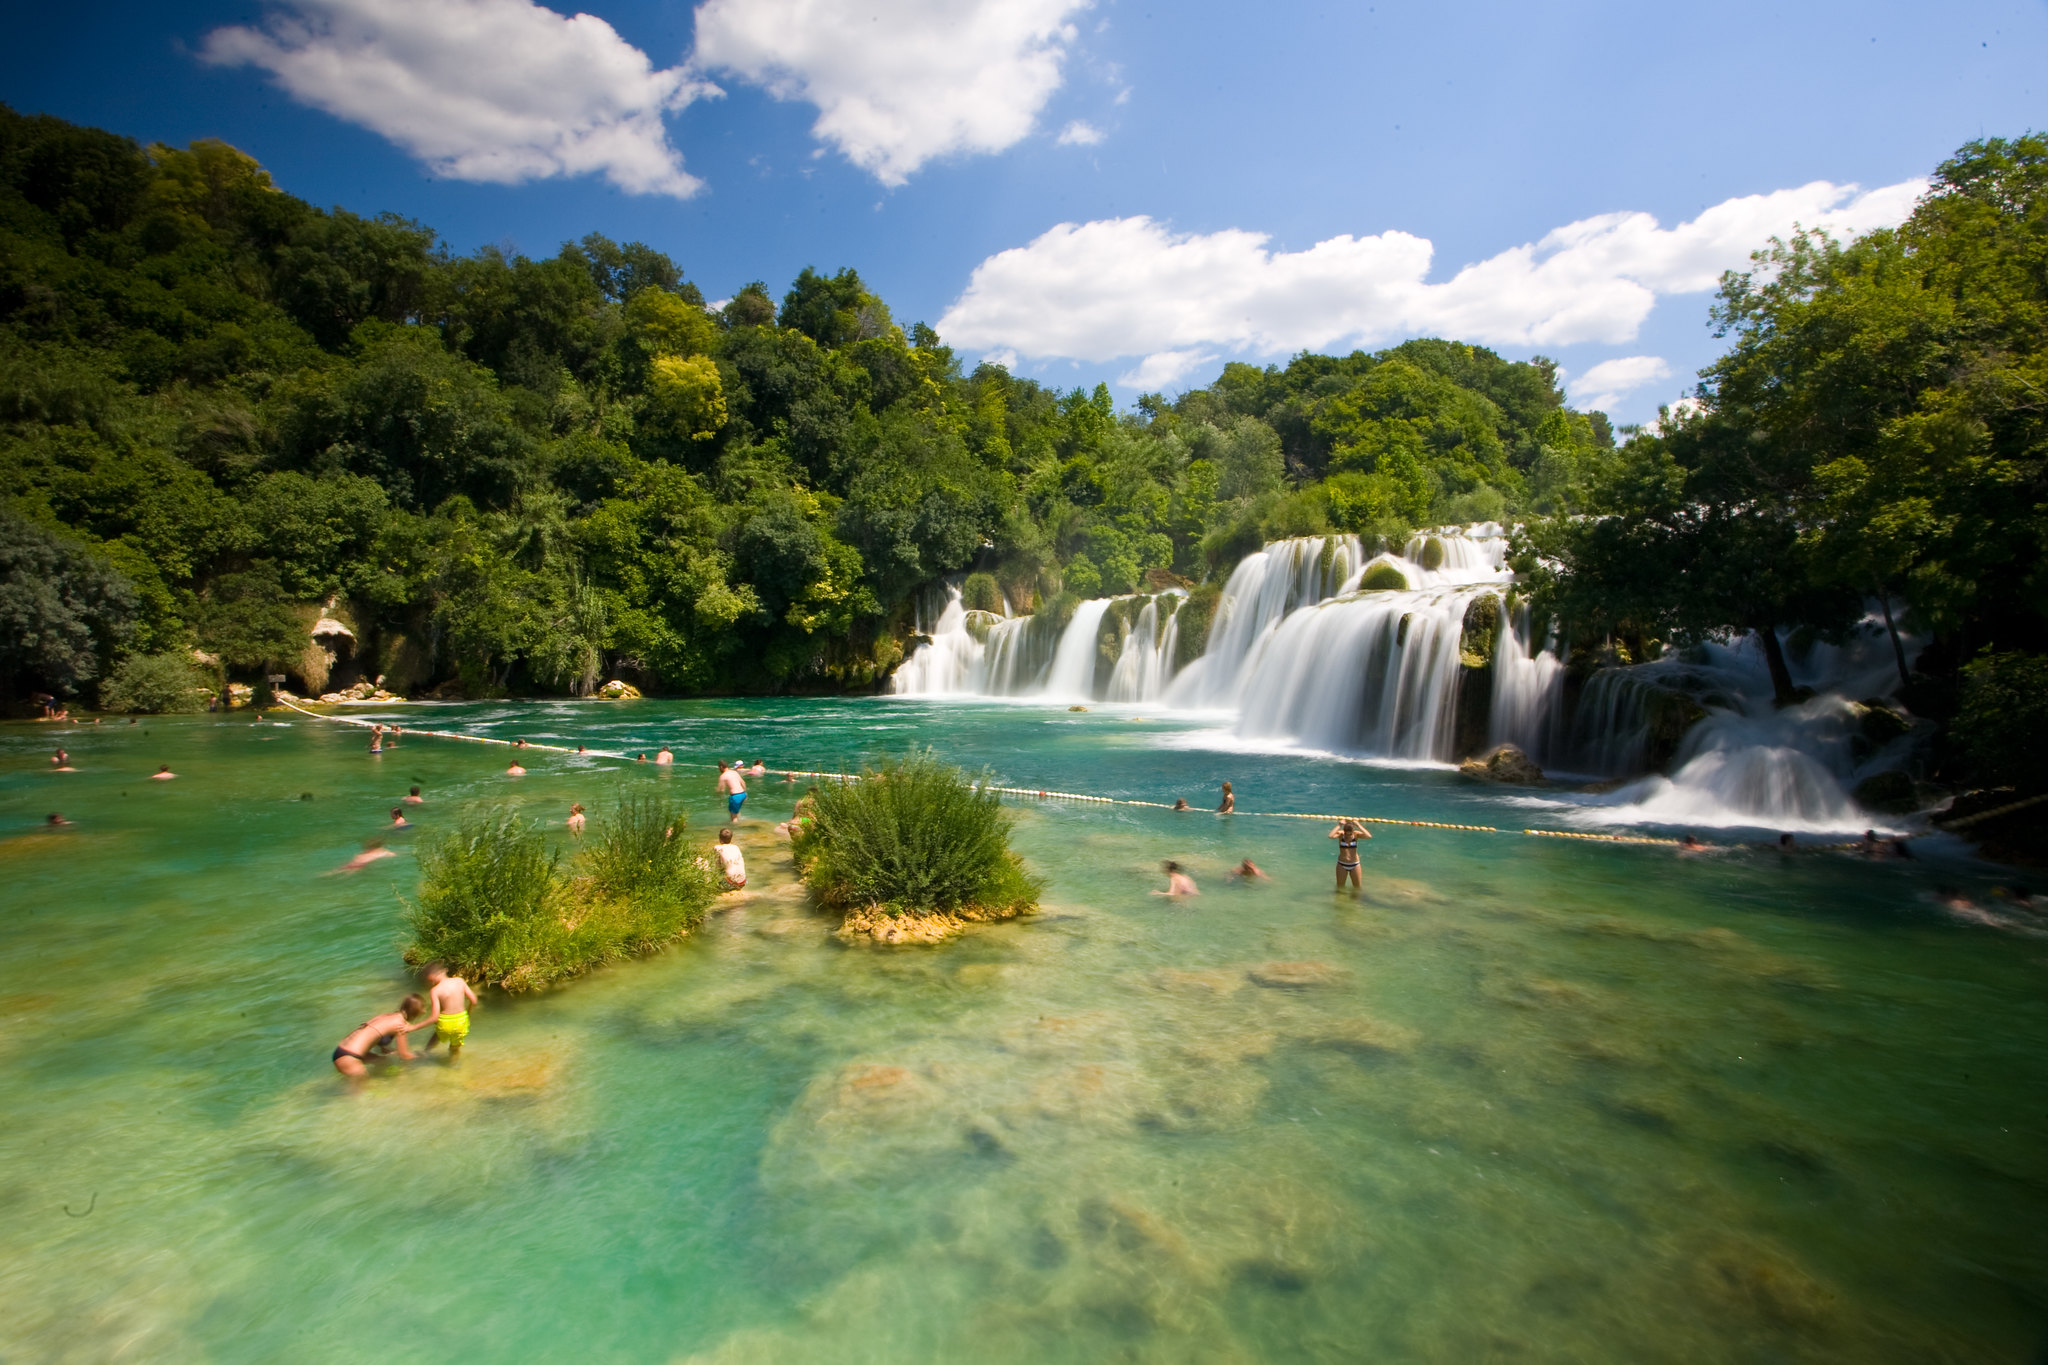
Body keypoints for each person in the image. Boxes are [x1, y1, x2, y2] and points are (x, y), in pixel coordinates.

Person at [331, 995, 426, 1076]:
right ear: (415, 1012)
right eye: (423, 1008)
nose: (425, 1011)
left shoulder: (387, 1016)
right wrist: (423, 1058)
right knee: (359, 1094)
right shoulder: (400, 1024)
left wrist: (389, 1050)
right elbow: (405, 1056)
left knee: (382, 1061)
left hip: (341, 1050)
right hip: (350, 1057)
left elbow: (374, 1036)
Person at [419, 963, 478, 1058]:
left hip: (445, 1023)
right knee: (455, 1048)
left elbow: (434, 1017)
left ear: (431, 977)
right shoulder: (460, 981)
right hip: (462, 1021)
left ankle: (426, 1052)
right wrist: (468, 1014)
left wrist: (413, 1027)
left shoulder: (435, 990)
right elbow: (474, 1001)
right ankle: (454, 1065)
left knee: (436, 1036)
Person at [1330, 819, 1369, 890]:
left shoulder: (1356, 834)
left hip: (1355, 864)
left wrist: (1358, 825)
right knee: (1340, 888)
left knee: (1357, 888)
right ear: (1344, 831)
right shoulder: (1341, 835)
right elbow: (1330, 836)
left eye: (1350, 834)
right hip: (1342, 864)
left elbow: (1368, 836)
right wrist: (1339, 825)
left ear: (1353, 831)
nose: (1348, 835)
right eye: (1346, 834)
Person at [333, 840, 397, 874]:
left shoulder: (366, 852)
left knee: (334, 872)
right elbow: (392, 855)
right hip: (360, 865)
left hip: (353, 863)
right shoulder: (381, 852)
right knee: (345, 876)